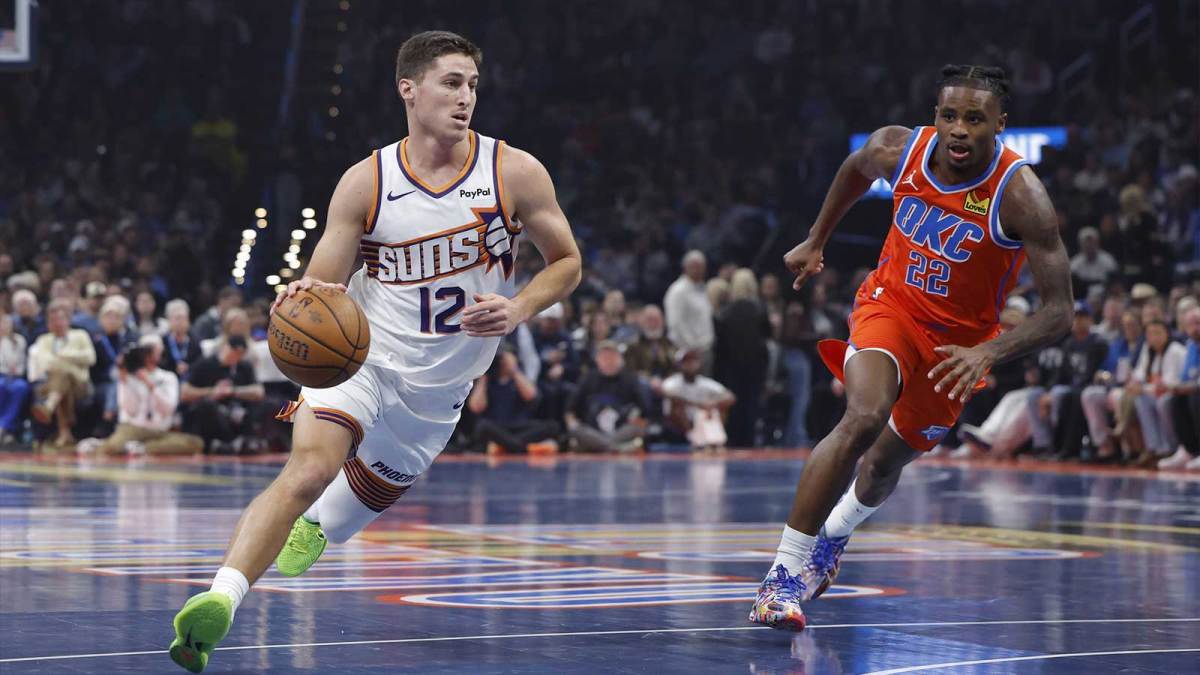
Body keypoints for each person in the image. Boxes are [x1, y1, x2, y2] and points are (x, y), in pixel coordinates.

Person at [168, 30, 581, 672]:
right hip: (362, 358)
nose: (465, 96)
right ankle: (219, 600)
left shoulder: (515, 171)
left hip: (443, 384)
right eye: (450, 82)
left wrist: (520, 306)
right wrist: (303, 296)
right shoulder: (368, 181)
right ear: (408, 90)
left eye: (472, 84)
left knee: (369, 492)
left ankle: (323, 529)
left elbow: (568, 262)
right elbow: (324, 283)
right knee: (307, 470)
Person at [750, 65, 1073, 632]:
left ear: (1000, 124)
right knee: (864, 417)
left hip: (958, 350)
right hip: (890, 308)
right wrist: (817, 237)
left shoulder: (1021, 196)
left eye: (974, 119)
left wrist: (989, 353)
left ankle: (834, 536)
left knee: (881, 466)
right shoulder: (898, 149)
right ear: (935, 117)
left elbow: (1059, 313)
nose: (958, 129)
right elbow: (854, 170)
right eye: (949, 115)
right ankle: (781, 578)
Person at [77, 335, 203, 456]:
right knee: (114, 447)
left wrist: (150, 386)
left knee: (195, 443)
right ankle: (105, 445)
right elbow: (130, 410)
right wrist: (124, 380)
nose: (149, 354)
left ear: (160, 351)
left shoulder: (168, 377)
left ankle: (142, 448)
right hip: (132, 429)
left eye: (153, 349)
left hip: (159, 432)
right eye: (146, 349)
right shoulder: (127, 378)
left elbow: (169, 409)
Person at [27, 300, 97, 449]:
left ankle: (50, 408)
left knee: (61, 375)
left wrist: (63, 356)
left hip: (80, 383)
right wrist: (72, 360)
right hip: (52, 383)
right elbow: (45, 364)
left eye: (60, 319)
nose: (57, 323)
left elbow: (91, 358)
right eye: (53, 320)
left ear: (68, 320)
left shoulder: (80, 335)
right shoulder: (43, 340)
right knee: (61, 381)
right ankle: (65, 433)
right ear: (48, 324)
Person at [662, 348, 736, 452]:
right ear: (679, 365)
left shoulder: (705, 383)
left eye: (693, 361)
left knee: (718, 408)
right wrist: (698, 404)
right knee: (678, 407)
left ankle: (716, 440)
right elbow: (669, 394)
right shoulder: (673, 382)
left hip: (702, 419)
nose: (690, 365)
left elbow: (730, 397)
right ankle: (692, 437)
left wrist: (712, 404)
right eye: (686, 362)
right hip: (680, 422)